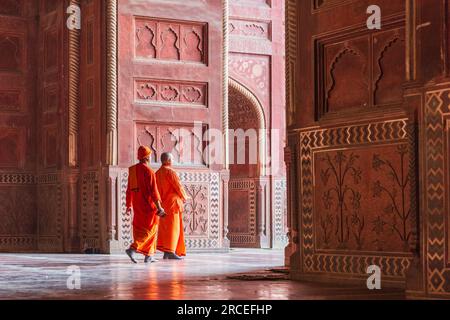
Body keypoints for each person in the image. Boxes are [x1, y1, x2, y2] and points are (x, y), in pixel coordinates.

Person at [125, 146, 166, 264]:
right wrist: (159, 207)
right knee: (151, 229)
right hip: (149, 206)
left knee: (139, 228)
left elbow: (129, 190)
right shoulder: (149, 171)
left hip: (137, 205)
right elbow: (154, 192)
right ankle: (133, 248)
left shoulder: (132, 170)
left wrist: (129, 204)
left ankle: (149, 255)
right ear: (148, 157)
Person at [156, 152, 188, 260]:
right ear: (169, 160)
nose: (173, 161)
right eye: (172, 159)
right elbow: (178, 186)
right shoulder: (170, 172)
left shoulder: (157, 173)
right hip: (173, 204)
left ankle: (167, 251)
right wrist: (184, 197)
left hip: (163, 204)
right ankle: (171, 252)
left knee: (166, 228)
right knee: (174, 228)